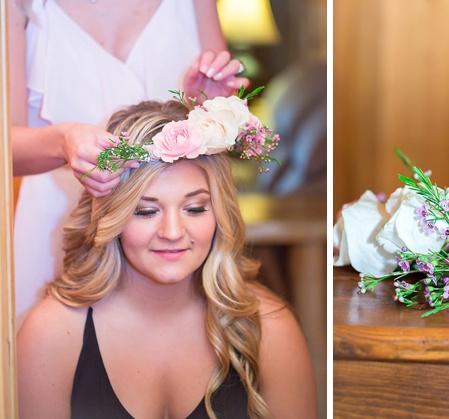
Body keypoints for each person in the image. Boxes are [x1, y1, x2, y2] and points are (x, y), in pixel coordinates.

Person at [16, 99, 317, 418]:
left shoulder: (270, 327)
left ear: (220, 214)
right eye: (146, 211)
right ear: (113, 218)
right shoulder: (50, 335)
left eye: (195, 208)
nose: (172, 231)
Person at [7, 0, 249, 323]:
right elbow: (6, 148)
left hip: (172, 234)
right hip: (60, 229)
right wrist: (64, 140)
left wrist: (205, 104)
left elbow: (217, 140)